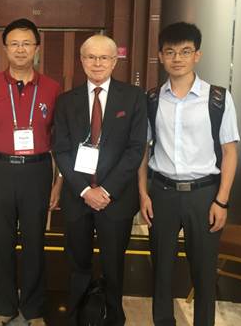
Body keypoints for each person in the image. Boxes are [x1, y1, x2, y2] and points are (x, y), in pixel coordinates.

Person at [138, 22, 239, 326]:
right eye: (170, 52)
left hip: (204, 195)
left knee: (204, 272)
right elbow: (143, 151)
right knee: (161, 272)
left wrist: (221, 201)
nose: (177, 58)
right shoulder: (152, 99)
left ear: (197, 55)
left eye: (185, 51)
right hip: (162, 194)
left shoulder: (218, 98)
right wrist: (143, 193)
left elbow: (230, 152)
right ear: (160, 56)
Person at [0, 18, 62, 326]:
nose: (20, 49)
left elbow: (60, 141)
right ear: (5, 48)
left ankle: (33, 309)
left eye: (26, 43)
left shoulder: (52, 88)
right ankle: (4, 307)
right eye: (14, 44)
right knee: (1, 242)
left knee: (35, 242)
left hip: (37, 171)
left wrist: (58, 183)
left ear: (37, 48)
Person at [53, 34, 147, 325]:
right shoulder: (66, 101)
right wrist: (85, 191)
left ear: (114, 61)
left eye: (104, 57)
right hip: (77, 198)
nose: (97, 63)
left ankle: (114, 318)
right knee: (78, 264)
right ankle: (77, 317)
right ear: (82, 61)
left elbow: (136, 149)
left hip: (115, 200)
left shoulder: (133, 97)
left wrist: (106, 190)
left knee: (113, 266)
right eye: (91, 57)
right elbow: (61, 150)